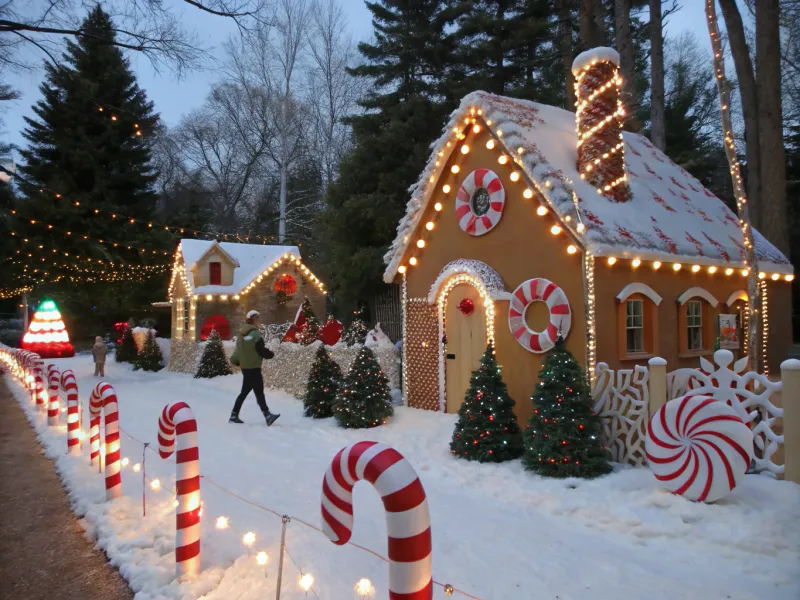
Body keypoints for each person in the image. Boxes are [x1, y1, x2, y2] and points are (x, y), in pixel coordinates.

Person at [229, 310, 280, 426]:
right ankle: (267, 416)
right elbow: (261, 351)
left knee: (247, 392)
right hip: (254, 369)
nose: (259, 321)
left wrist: (237, 361)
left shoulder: (241, 335)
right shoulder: (256, 334)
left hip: (246, 369)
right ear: (255, 320)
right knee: (258, 392)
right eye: (258, 319)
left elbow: (238, 352)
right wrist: (271, 354)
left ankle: (234, 415)